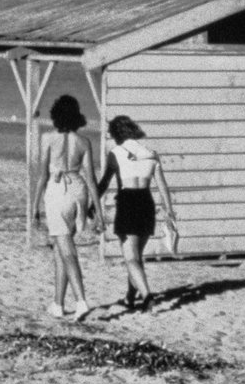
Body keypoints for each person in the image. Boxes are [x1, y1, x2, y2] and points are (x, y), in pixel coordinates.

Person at [96, 115, 178, 311]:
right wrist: (169, 211)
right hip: (146, 203)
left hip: (128, 202)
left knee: (131, 258)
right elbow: (162, 186)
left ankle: (148, 298)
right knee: (136, 256)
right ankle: (130, 297)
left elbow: (106, 182)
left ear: (116, 134)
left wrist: (93, 203)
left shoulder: (116, 152)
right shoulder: (151, 153)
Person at [36, 94, 99, 321]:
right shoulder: (83, 141)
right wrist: (98, 212)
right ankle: (58, 303)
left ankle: (81, 301)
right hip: (78, 189)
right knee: (61, 249)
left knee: (66, 248)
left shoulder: (47, 138)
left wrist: (35, 205)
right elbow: (91, 178)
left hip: (58, 191)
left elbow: (42, 175)